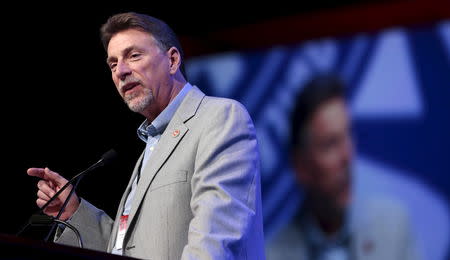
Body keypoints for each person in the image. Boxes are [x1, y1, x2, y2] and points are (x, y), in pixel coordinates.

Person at [26, 12, 265, 260]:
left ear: (172, 60)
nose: (121, 71)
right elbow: (128, 247)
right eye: (113, 64)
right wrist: (73, 212)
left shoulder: (219, 117)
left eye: (134, 55)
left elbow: (216, 237)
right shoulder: (152, 143)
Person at [265, 75, 419, 260]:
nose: (347, 156)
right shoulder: (273, 255)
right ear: (301, 166)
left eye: (347, 136)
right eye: (330, 144)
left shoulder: (393, 228)